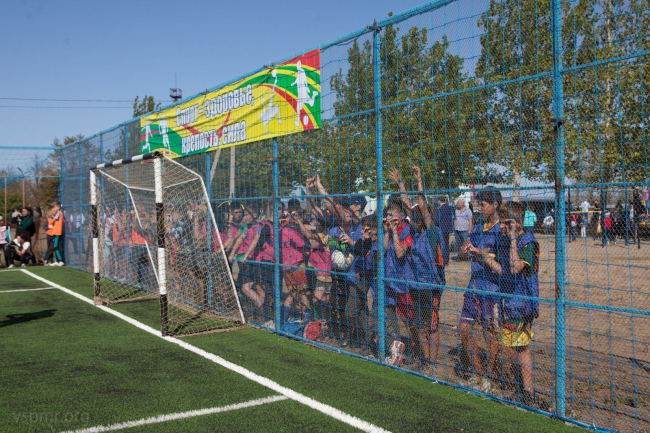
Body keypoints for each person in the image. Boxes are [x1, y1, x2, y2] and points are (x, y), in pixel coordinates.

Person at [472, 201, 540, 407]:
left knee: (520, 348)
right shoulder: (506, 240)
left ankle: (528, 392)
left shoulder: (528, 243)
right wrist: (479, 254)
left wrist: (511, 240)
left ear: (517, 223)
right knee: (515, 346)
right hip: (510, 301)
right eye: (501, 222)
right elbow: (504, 271)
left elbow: (515, 267)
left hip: (523, 303)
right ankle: (523, 389)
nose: (501, 226)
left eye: (505, 223)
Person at [459, 187, 502, 393]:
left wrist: (481, 252)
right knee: (464, 330)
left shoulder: (502, 229)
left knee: (490, 334)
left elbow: (500, 258)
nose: (480, 209)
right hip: (473, 287)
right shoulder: (477, 228)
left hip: (492, 290)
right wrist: (465, 251)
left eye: (483, 205)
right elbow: (468, 252)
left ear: (495, 204)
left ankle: (489, 377)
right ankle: (478, 374)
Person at [407, 165, 449, 377]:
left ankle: (432, 362)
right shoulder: (415, 234)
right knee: (419, 324)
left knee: (431, 326)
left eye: (417, 217)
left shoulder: (432, 232)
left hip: (432, 285)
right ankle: (424, 360)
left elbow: (422, 207)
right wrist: (400, 184)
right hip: (417, 284)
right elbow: (409, 207)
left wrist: (419, 181)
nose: (413, 220)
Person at [44, 202, 64, 266]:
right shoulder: (59, 214)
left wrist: (52, 220)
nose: (54, 209)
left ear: (58, 208)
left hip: (57, 232)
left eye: (54, 207)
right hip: (56, 232)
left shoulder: (58, 213)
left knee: (55, 247)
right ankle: (58, 260)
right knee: (55, 247)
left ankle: (60, 260)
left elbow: (53, 221)